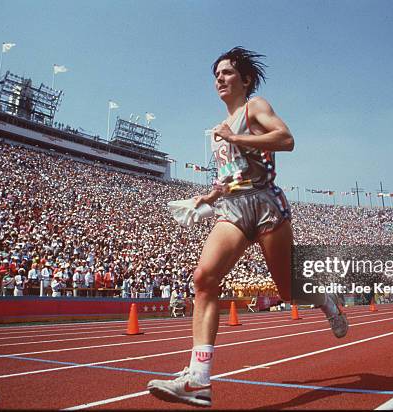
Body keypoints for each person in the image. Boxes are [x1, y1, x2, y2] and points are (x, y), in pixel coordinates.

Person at [147, 47, 347, 407]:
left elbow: (286, 140)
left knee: (287, 290)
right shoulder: (216, 133)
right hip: (234, 208)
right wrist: (205, 199)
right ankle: (199, 379)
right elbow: (229, 179)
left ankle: (326, 301)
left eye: (226, 73)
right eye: (216, 75)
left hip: (267, 204)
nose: (220, 79)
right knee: (204, 278)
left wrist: (236, 137)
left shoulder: (255, 108)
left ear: (246, 80)